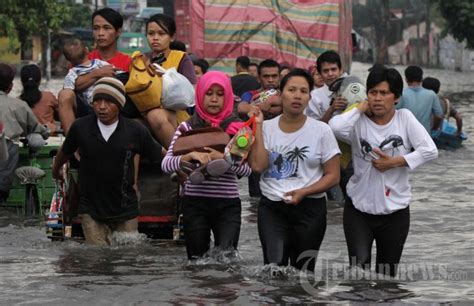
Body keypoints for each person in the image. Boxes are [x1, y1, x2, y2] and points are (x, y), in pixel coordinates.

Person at [328, 67, 438, 276]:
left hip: (395, 211)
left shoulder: (404, 118)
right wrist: (359, 108)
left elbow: (430, 151)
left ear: (395, 97)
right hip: (358, 209)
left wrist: (396, 162)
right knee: (358, 271)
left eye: (384, 93)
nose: (377, 98)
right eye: (373, 92)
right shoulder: (357, 121)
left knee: (386, 276)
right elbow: (334, 128)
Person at [248, 68, 341, 271]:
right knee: (274, 268)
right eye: (291, 90)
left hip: (310, 209)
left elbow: (333, 176)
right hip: (272, 207)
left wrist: (304, 191)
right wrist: (258, 127)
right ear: (281, 95)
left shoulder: (322, 131)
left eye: (304, 91)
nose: (297, 95)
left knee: (303, 273)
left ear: (309, 96)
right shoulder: (266, 127)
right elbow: (258, 166)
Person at [52, 77, 162, 245]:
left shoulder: (135, 130)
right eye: (97, 101)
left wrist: (180, 166)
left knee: (126, 260)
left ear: (119, 104)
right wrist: (56, 170)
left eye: (108, 101)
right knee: (97, 258)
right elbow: (65, 152)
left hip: (126, 208)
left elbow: (161, 155)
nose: (102, 107)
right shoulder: (81, 128)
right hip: (91, 209)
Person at [162, 71, 251, 260]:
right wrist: (189, 155)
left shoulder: (238, 129)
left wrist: (224, 158)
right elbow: (166, 164)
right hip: (194, 204)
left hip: (228, 205)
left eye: (220, 94)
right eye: (209, 94)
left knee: (226, 259)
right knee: (196, 261)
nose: (214, 99)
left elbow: (247, 170)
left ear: (228, 97)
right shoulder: (187, 128)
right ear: (200, 95)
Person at [58, 7, 132, 135]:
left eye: (106, 28)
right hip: (85, 110)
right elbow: (71, 86)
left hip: (117, 113)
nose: (100, 33)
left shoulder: (128, 61)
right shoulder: (81, 59)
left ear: (118, 31)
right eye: (96, 28)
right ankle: (72, 146)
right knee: (64, 95)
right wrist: (98, 73)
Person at [143, 13, 197, 148]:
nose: (155, 38)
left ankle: (178, 159)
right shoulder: (141, 59)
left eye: (161, 34)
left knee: (155, 116)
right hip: (144, 113)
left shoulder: (181, 58)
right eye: (151, 33)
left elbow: (191, 95)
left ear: (172, 37)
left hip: (176, 115)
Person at [0, 63, 49, 203]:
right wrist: (46, 131)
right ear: (10, 87)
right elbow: (37, 129)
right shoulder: (18, 106)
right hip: (5, 155)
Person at [238, 59, 283, 198]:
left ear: (280, 77)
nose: (270, 80)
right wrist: (262, 106)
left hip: (281, 147)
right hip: (256, 147)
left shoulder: (286, 94)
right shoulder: (250, 94)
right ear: (258, 77)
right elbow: (241, 107)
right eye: (266, 76)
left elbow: (284, 106)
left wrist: (268, 102)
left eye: (274, 76)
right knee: (256, 196)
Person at [62, 38, 110, 109]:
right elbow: (114, 70)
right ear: (87, 50)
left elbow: (67, 89)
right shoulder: (99, 63)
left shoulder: (73, 72)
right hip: (107, 96)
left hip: (89, 104)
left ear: (68, 59)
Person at [396, 65, 443, 133]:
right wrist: (434, 128)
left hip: (405, 135)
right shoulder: (431, 94)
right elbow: (439, 116)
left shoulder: (401, 94)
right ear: (421, 79)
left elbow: (392, 114)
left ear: (406, 79)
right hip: (425, 135)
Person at [305, 50, 347, 123]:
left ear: (340, 70)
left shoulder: (351, 89)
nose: (330, 74)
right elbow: (314, 128)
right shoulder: (314, 96)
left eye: (333, 69)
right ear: (320, 73)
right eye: (325, 71)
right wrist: (331, 109)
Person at [19, 64, 59, 134]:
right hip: (50, 139)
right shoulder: (49, 97)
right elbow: (61, 115)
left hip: (25, 140)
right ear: (39, 80)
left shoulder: (17, 102)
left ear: (22, 81)